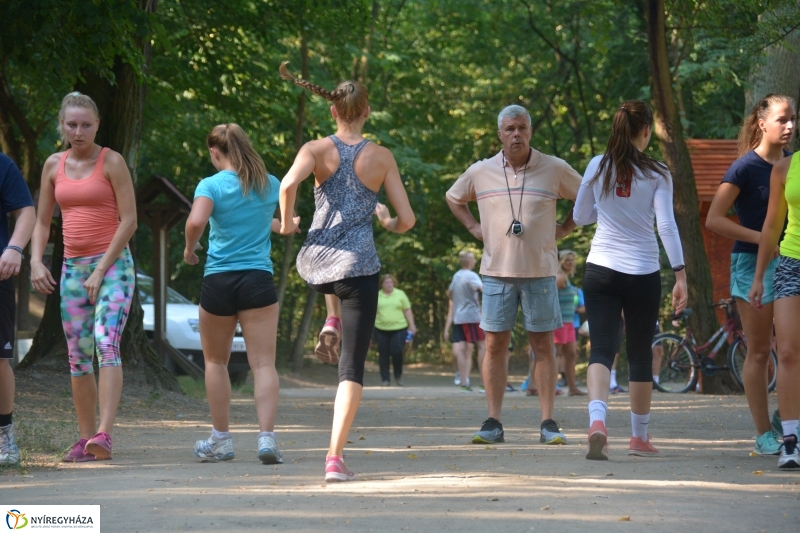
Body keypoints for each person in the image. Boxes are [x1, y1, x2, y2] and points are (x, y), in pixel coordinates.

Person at [278, 62, 415, 482]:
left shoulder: (315, 149)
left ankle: (329, 316)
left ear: (333, 111)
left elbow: (286, 186)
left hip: (315, 262)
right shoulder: (381, 156)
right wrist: (388, 222)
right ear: (367, 111)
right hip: (358, 268)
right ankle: (334, 458)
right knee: (351, 368)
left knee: (328, 277)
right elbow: (406, 220)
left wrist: (286, 224)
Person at [446, 104, 580, 445]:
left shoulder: (554, 167)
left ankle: (548, 422)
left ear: (530, 131)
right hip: (495, 273)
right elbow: (453, 197)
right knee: (494, 346)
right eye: (509, 129)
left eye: (522, 127)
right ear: (500, 135)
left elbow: (588, 196)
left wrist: (565, 227)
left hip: (541, 272)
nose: (516, 134)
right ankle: (493, 421)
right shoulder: (481, 171)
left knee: (543, 346)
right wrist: (474, 226)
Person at [574, 100, 687, 461]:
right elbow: (666, 226)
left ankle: (597, 423)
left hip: (600, 269)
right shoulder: (657, 172)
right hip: (642, 272)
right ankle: (639, 438)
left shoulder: (597, 165)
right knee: (639, 351)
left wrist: (604, 210)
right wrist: (680, 274)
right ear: (646, 131)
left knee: (602, 348)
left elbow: (580, 216)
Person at [31, 92, 137, 462]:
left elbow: (129, 221)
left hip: (113, 266)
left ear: (97, 125)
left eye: (86, 125)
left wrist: (101, 269)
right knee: (78, 357)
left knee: (106, 342)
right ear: (62, 125)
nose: (79, 132)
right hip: (73, 269)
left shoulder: (112, 162)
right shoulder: (52, 166)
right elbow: (43, 221)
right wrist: (36, 262)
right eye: (72, 124)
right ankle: (85, 437)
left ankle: (105, 434)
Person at [184, 123, 286, 464]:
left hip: (220, 280)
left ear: (215, 152)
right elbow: (270, 220)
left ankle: (221, 441)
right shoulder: (269, 183)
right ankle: (266, 439)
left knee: (216, 361)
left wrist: (189, 248)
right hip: (258, 279)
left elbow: (196, 221)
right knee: (263, 363)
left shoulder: (210, 185)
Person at [707, 93, 795, 456]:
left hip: (791, 261)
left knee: (793, 350)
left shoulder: (794, 165)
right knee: (759, 352)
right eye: (782, 119)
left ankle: (783, 416)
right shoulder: (744, 168)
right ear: (762, 123)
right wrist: (762, 238)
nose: (790, 126)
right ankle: (764, 434)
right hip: (750, 265)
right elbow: (714, 219)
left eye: (794, 119)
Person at [749, 147, 800, 469]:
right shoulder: (785, 168)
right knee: (788, 352)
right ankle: (791, 442)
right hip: (791, 263)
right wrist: (758, 276)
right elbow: (771, 226)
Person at [0, 154, 35, 467]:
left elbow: (25, 209)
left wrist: (14, 247)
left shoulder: (2, 165)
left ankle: (4, 433)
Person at [443, 250, 484, 392]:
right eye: (473, 259)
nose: (475, 262)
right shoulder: (472, 276)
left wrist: (459, 301)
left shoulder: (457, 275)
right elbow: (483, 289)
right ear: (468, 261)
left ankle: (464, 382)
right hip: (472, 316)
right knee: (482, 346)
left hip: (459, 317)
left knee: (462, 350)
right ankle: (484, 383)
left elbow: (450, 293)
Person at [374, 274, 416, 386]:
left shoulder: (400, 294)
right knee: (383, 354)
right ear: (382, 284)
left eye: (391, 282)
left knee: (397, 351)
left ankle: (398, 375)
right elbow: (372, 312)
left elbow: (407, 310)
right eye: (386, 283)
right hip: (380, 328)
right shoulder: (377, 295)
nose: (389, 285)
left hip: (399, 328)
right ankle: (385, 379)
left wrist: (412, 325)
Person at [554, 250, 585, 396]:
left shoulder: (567, 278)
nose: (570, 263)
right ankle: (551, 387)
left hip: (570, 322)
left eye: (572, 260)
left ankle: (572, 388)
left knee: (571, 354)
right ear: (560, 261)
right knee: (555, 354)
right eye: (567, 260)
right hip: (559, 323)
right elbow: (549, 297)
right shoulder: (559, 278)